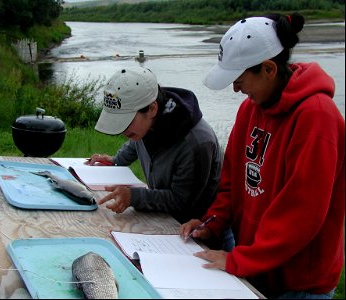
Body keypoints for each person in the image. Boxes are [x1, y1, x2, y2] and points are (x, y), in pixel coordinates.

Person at [180, 13, 345, 299]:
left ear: (269, 69)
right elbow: (232, 182)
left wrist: (238, 260)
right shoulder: (251, 109)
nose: (235, 89)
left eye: (239, 79)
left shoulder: (317, 117)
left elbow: (302, 214)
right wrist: (212, 223)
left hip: (299, 285)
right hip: (258, 270)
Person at [87, 66, 224, 229]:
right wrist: (117, 160)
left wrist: (133, 197)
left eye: (126, 121)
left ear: (152, 109)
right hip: (164, 220)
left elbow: (180, 201)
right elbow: (136, 140)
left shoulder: (196, 143)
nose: (122, 130)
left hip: (197, 235)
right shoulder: (149, 121)